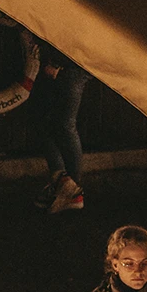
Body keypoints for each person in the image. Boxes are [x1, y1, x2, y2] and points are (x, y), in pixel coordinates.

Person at [31, 44, 90, 213]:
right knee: (46, 121)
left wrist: (57, 63)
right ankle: (64, 184)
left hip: (70, 64)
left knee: (64, 125)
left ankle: (72, 191)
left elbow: (72, 32)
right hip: (69, 62)